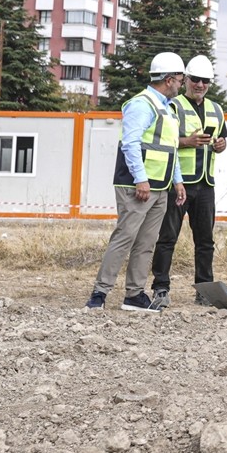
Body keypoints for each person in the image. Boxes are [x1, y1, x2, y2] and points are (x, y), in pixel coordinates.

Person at [86, 53, 187, 311]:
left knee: (146, 243)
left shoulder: (168, 108)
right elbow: (130, 144)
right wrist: (141, 179)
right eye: (180, 78)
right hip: (137, 186)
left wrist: (177, 181)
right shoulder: (142, 105)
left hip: (160, 186)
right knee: (125, 238)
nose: (182, 83)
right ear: (168, 79)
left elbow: (171, 148)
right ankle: (100, 293)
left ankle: (134, 295)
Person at [150, 55, 227, 307]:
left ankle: (204, 289)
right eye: (195, 79)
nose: (200, 84)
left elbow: (222, 141)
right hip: (178, 184)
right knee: (167, 237)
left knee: (205, 240)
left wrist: (220, 145)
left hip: (205, 184)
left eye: (206, 81)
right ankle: (160, 288)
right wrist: (186, 142)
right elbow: (163, 141)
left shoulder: (216, 110)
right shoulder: (173, 106)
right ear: (185, 80)